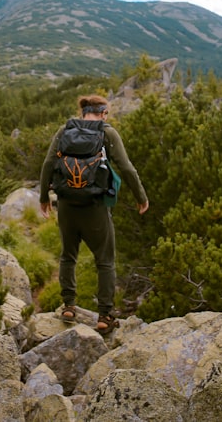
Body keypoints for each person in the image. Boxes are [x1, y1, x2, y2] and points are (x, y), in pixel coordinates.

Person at [39, 94, 149, 334]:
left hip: (67, 204)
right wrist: (141, 197)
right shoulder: (107, 133)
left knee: (68, 255)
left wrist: (43, 198)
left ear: (83, 112)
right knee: (105, 261)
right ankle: (105, 315)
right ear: (104, 113)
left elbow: (48, 164)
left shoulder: (64, 130)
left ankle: (68, 306)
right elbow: (127, 168)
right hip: (95, 207)